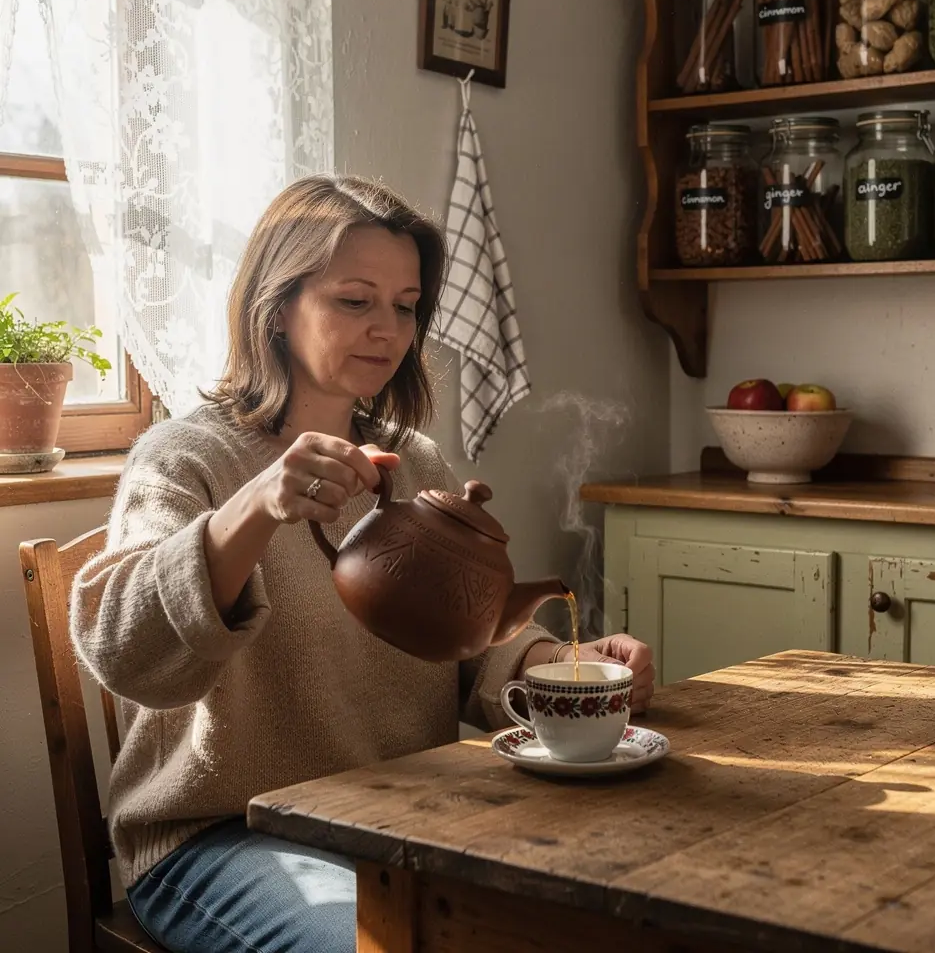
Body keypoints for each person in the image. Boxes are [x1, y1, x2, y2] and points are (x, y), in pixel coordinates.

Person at [71, 175, 655, 953]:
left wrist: (570, 664)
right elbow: (126, 653)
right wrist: (257, 505)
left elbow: (474, 642)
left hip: (397, 819)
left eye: (405, 305)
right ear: (276, 308)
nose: (387, 329)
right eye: (355, 300)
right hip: (223, 837)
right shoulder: (185, 459)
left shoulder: (414, 462)